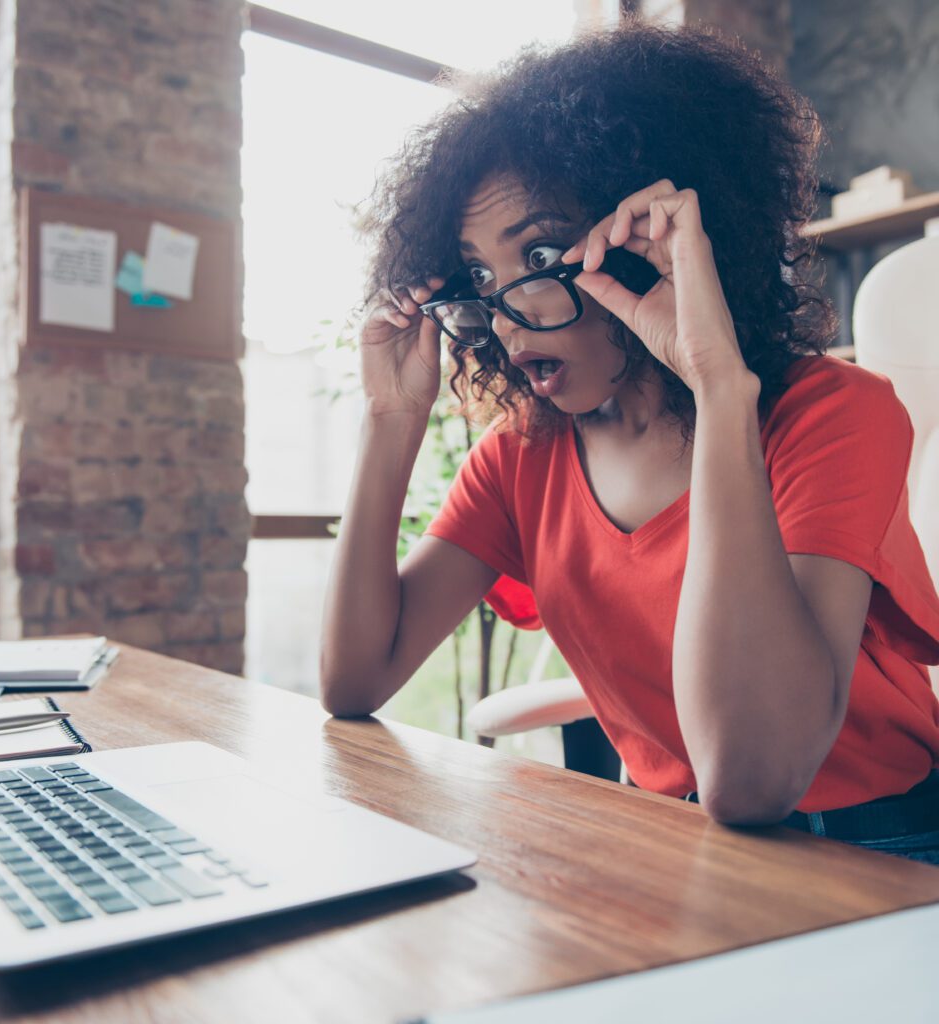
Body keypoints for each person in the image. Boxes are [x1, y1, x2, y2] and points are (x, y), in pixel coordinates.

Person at [319, 22, 939, 862]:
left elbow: (752, 778)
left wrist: (719, 385)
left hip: (883, 847)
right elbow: (355, 679)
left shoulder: (831, 415)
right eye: (478, 278)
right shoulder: (519, 459)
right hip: (672, 845)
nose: (506, 312)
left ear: (651, 241)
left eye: (539, 252)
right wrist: (391, 421)